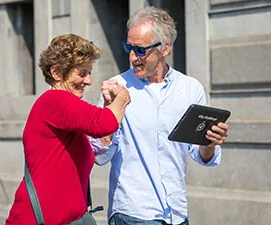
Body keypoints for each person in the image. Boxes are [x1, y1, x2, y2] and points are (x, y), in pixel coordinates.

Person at [90, 6, 229, 225]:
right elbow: (99, 157)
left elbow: (201, 155)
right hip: (133, 212)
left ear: (165, 49)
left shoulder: (190, 88)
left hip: (176, 212)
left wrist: (210, 141)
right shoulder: (116, 88)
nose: (133, 56)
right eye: (129, 47)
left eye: (141, 50)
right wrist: (108, 112)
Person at [5, 34, 130, 225]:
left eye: (89, 73)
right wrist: (122, 97)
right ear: (56, 73)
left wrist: (110, 106)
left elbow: (101, 141)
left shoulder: (64, 110)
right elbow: (103, 123)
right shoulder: (54, 101)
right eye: (81, 73)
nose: (88, 81)